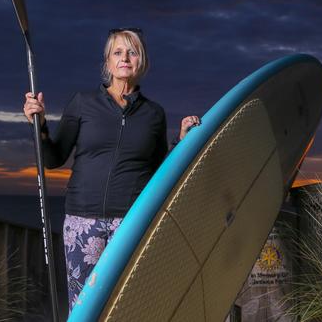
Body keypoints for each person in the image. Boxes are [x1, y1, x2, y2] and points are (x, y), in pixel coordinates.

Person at [23, 28, 199, 311]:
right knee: (83, 307)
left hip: (132, 223)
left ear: (141, 61)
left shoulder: (153, 114)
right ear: (107, 62)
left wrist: (181, 140)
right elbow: (53, 158)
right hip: (83, 220)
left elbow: (160, 174)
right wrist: (39, 124)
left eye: (132, 52)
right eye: (118, 52)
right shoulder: (83, 103)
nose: (125, 58)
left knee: (130, 305)